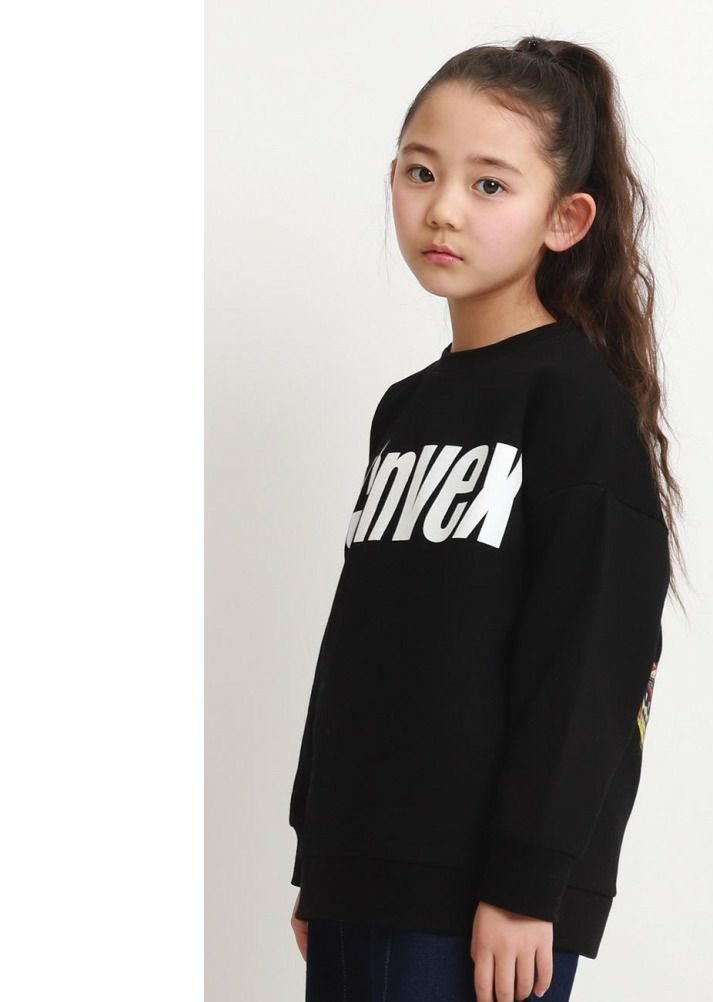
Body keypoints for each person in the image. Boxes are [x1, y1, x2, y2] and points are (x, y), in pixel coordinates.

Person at [288, 34, 685, 1002]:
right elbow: (361, 642)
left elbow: (594, 664)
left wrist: (527, 884)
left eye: (490, 184)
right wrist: (318, 853)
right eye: (421, 172)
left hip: (485, 906)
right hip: (360, 876)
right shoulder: (406, 409)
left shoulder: (576, 409)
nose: (444, 208)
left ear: (566, 218)